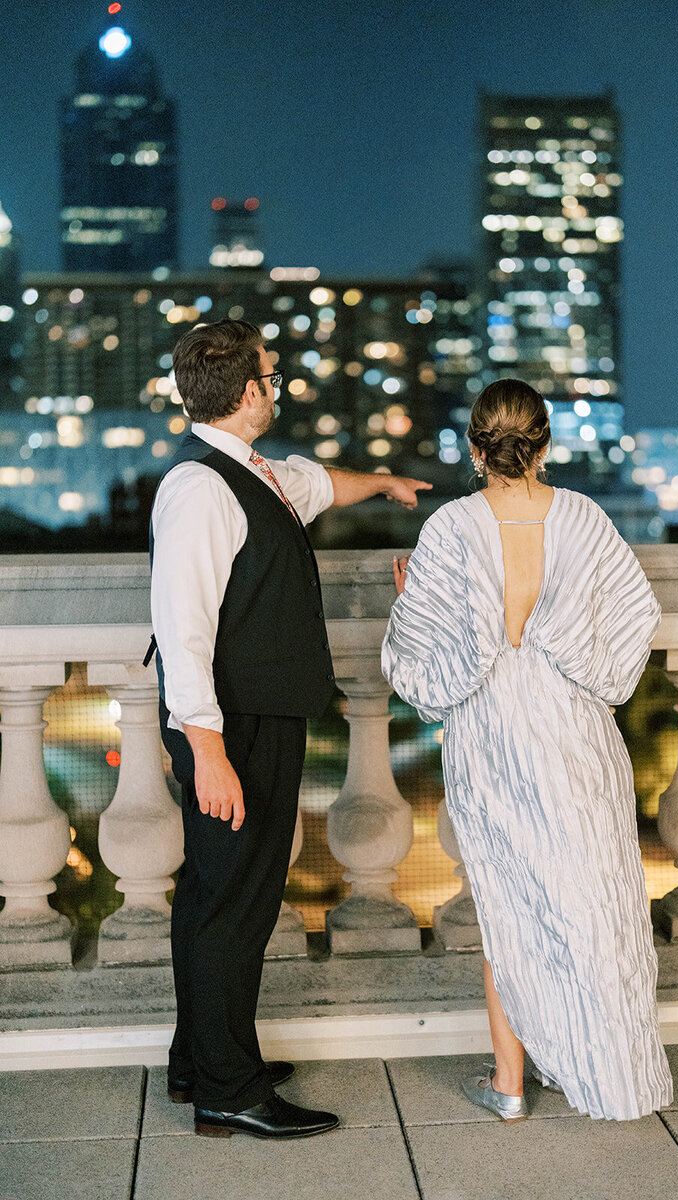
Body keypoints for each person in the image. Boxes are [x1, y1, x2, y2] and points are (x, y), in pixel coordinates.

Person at [150, 317, 431, 1141]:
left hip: (254, 716)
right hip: (231, 727)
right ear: (247, 394)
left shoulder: (250, 472)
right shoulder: (201, 489)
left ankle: (199, 1059)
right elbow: (184, 626)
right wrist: (206, 750)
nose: (275, 388)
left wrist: (380, 482)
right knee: (234, 902)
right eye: (269, 379)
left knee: (217, 895)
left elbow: (315, 484)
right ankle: (228, 1091)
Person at [381, 378, 673, 1123]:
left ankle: (510, 1083)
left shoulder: (450, 529)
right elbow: (634, 618)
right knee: (595, 902)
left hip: (493, 734)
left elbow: (426, 667)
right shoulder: (584, 518)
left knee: (507, 903)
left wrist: (413, 599)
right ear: (544, 443)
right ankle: (617, 1073)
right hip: (573, 732)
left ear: (475, 448)